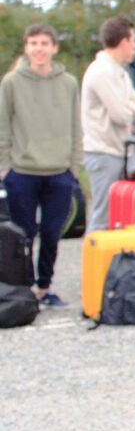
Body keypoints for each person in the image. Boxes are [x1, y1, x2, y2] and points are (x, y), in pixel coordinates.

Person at [0, 24, 83, 307]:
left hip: (59, 172)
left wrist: (74, 166)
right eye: (33, 43)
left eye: (44, 43)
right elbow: (3, 126)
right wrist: (5, 166)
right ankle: (25, 289)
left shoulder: (68, 83)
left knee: (51, 233)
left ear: (54, 48)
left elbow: (76, 126)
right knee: (23, 235)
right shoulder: (11, 83)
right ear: (26, 48)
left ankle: (45, 287)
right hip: (22, 172)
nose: (39, 48)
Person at [80, 16, 135, 233]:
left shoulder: (120, 71)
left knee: (120, 217)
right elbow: (120, 115)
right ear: (123, 41)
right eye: (133, 40)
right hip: (103, 153)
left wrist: (132, 111)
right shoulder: (102, 71)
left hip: (119, 151)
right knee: (103, 217)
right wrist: (132, 113)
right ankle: (91, 256)